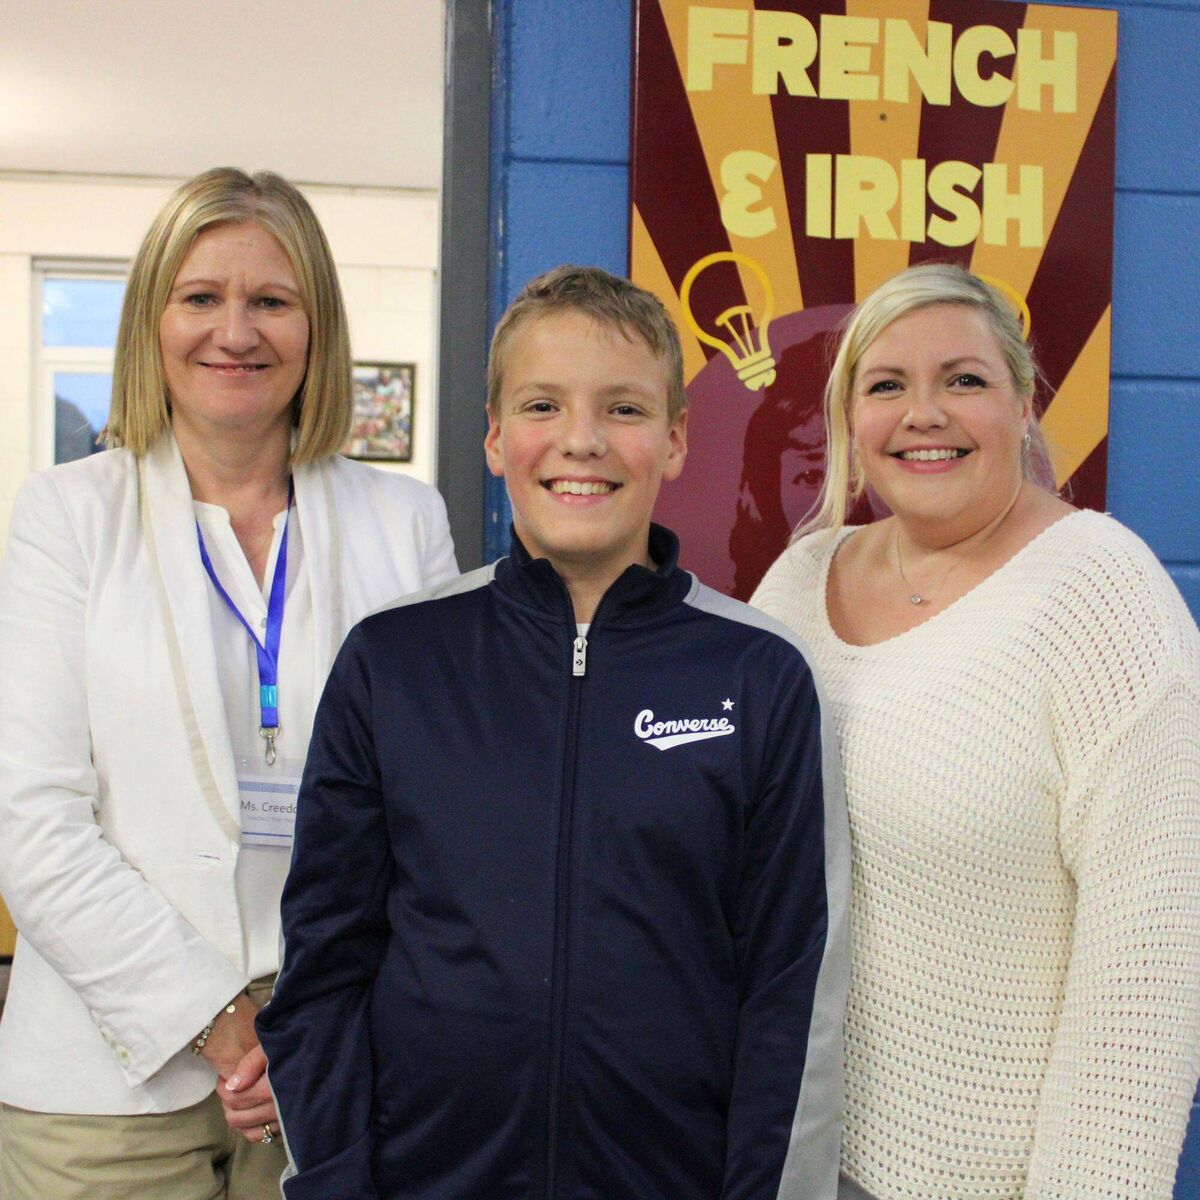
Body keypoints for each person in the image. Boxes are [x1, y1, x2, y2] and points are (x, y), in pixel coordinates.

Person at [257, 265, 850, 1199]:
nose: (581, 440)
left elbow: (791, 988)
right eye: (542, 405)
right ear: (495, 437)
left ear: (676, 439)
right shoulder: (393, 662)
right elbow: (324, 966)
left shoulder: (758, 674)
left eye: (622, 408)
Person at [0, 167, 457, 1200]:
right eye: (201, 297)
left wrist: (313, 1020)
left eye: (272, 301)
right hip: (103, 1085)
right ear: (152, 318)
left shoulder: (405, 524)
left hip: (339, 1058)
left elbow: (436, 812)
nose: (235, 332)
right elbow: (31, 820)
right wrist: (218, 1017)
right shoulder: (69, 515)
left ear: (317, 325)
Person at [751, 262, 1200, 1200]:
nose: (924, 414)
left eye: (964, 380)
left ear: (1025, 402)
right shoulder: (795, 585)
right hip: (778, 1156)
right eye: (887, 386)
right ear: (850, 420)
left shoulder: (1101, 597)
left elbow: (1150, 975)